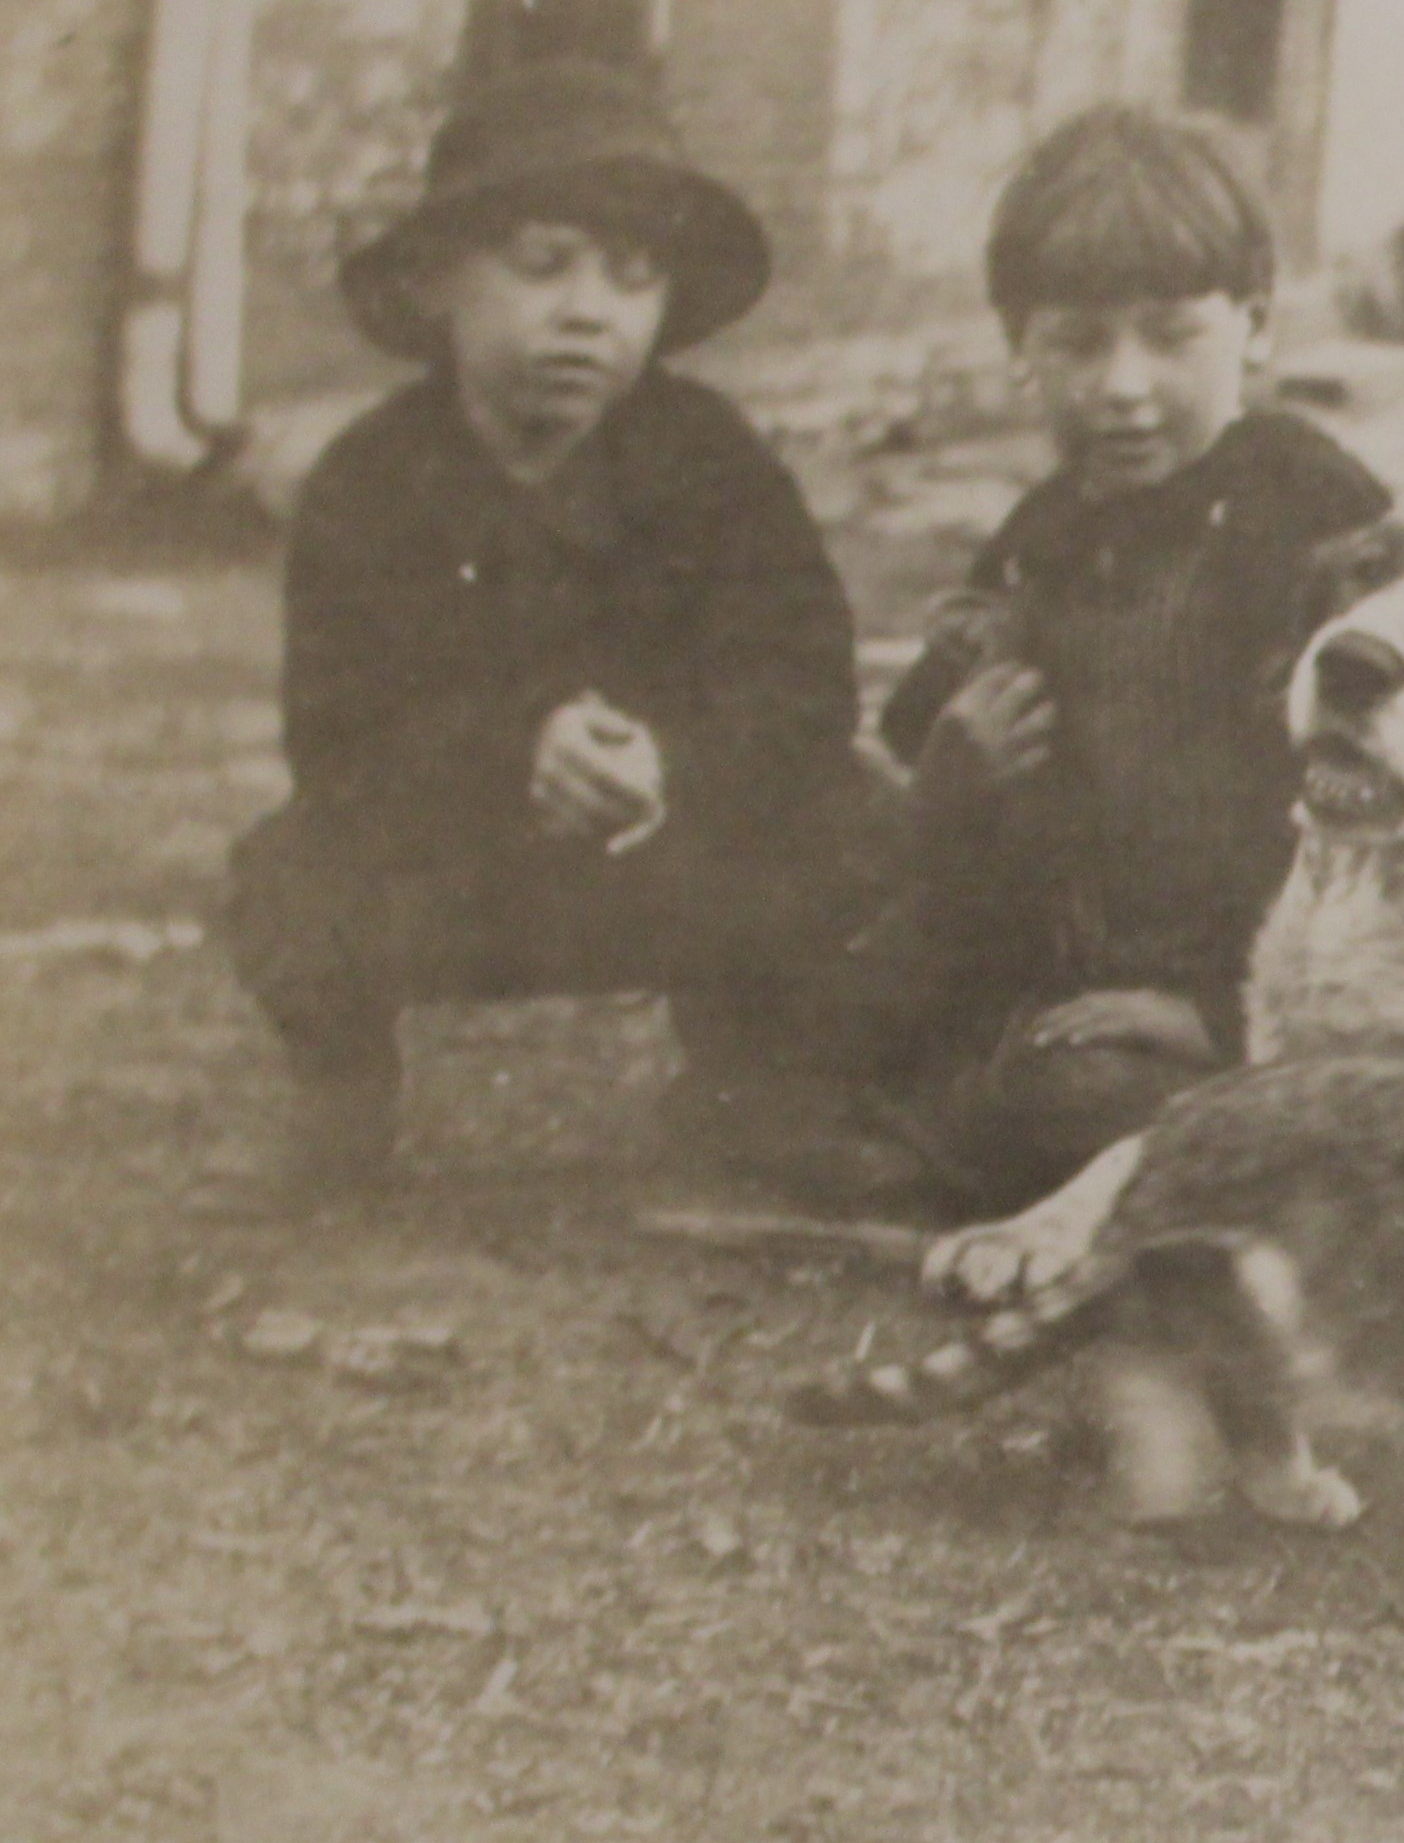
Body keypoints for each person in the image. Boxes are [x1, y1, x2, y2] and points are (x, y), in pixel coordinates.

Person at [219, 58, 898, 1212]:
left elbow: (800, 674)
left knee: (856, 820)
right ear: (438, 282)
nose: (588, 309)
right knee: (286, 871)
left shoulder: (708, 458)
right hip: (466, 865)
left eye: (633, 279)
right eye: (542, 266)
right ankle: (344, 1101)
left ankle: (757, 1087)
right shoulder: (371, 481)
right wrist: (516, 751)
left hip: (669, 851)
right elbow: (338, 730)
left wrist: (670, 757)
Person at [853, 104, 1401, 1212]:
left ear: (1252, 325)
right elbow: (916, 741)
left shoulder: (1305, 508)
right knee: (791, 1001)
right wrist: (960, 762)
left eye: (1168, 334)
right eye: (1076, 341)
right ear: (1019, 346)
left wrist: (1215, 1005)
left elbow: (1384, 799)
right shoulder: (1044, 528)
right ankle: (965, 1118)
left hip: (1258, 980)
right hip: (1073, 969)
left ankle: (1190, 1118)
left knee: (1073, 1102)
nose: (1121, 386)